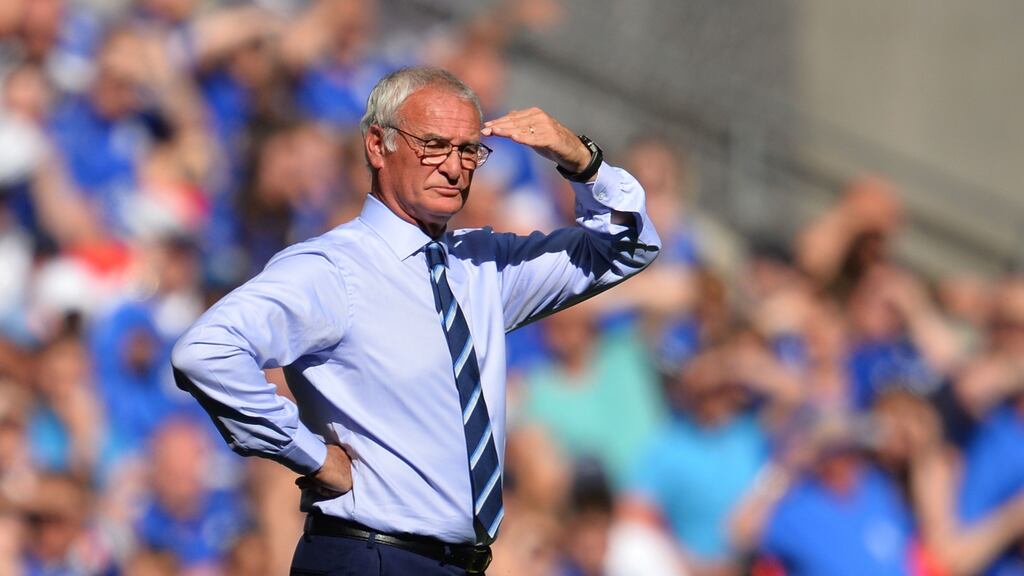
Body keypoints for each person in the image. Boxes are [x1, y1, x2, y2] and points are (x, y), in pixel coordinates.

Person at [171, 66, 660, 575]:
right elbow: (204, 351)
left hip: (454, 561)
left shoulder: (480, 266)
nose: (454, 167)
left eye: (469, 149)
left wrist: (581, 160)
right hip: (369, 554)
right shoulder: (335, 267)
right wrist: (309, 455)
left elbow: (628, 247)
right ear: (378, 146)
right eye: (433, 144)